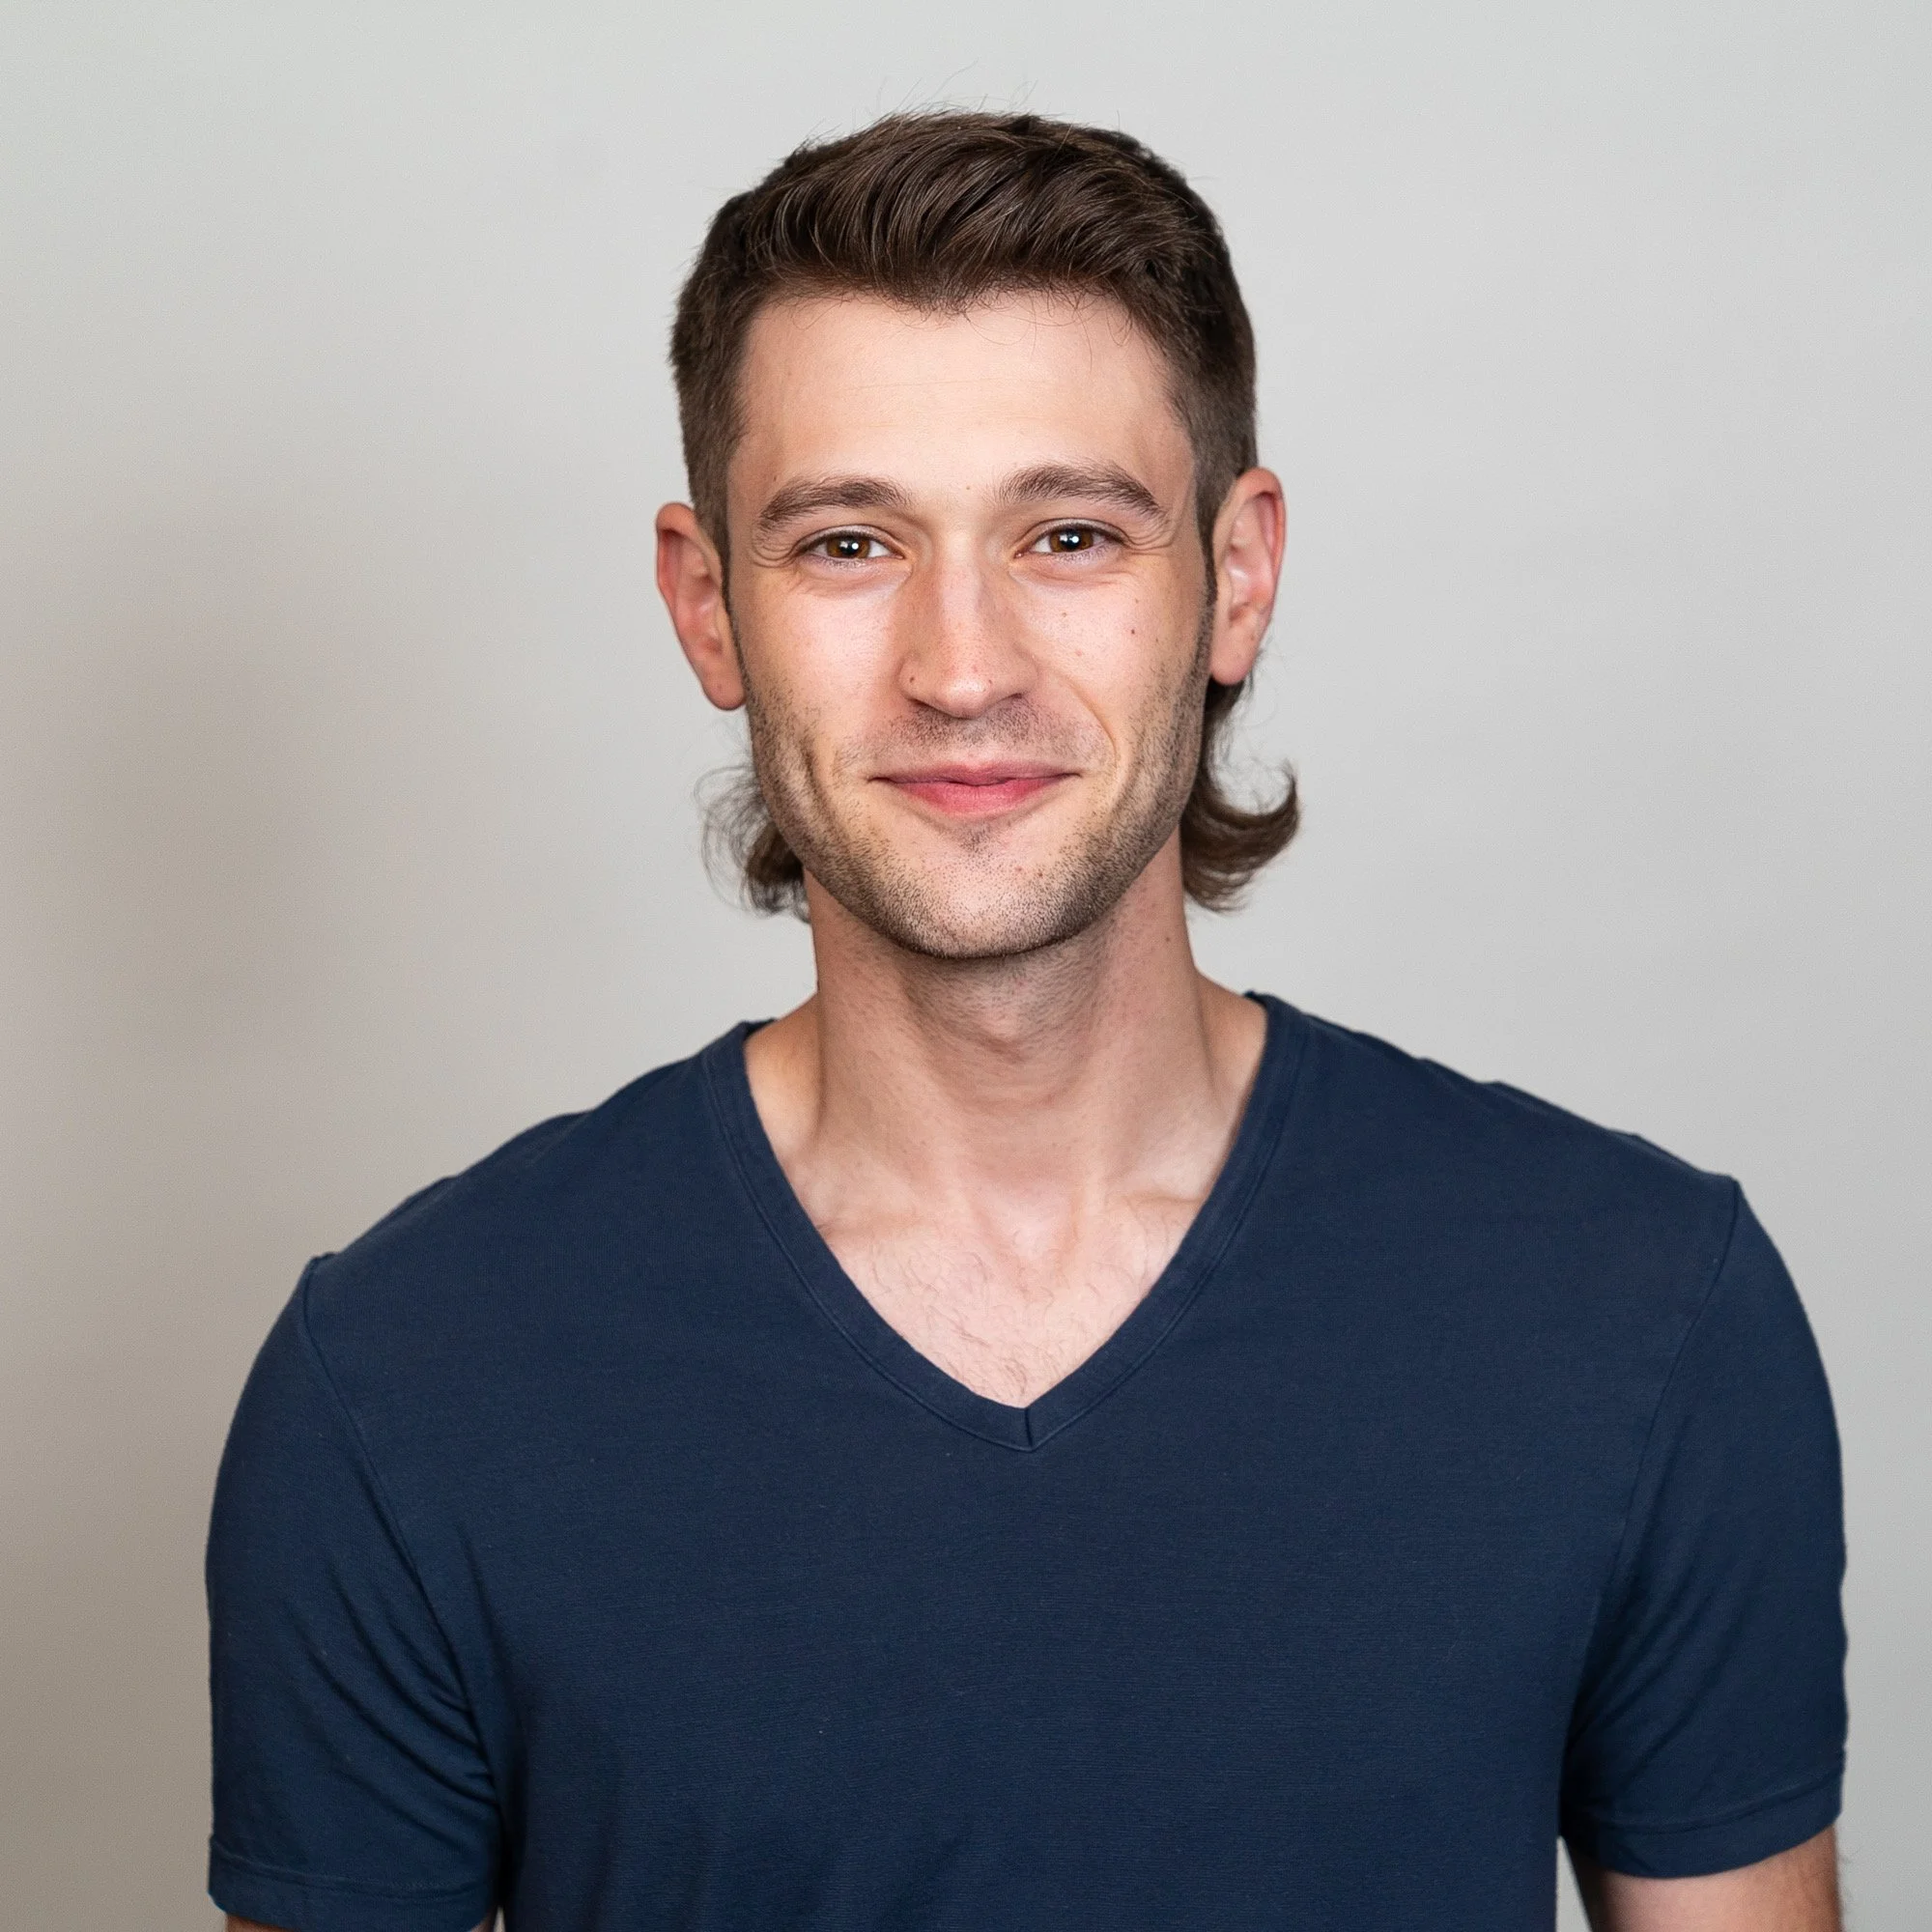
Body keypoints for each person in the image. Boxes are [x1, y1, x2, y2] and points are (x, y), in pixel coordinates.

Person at [208, 111, 1846, 1932]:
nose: (962, 664)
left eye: (1069, 533)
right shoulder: (409, 1382)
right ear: (706, 606)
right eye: (847, 544)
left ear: (1235, 578)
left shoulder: (1639, 1315)